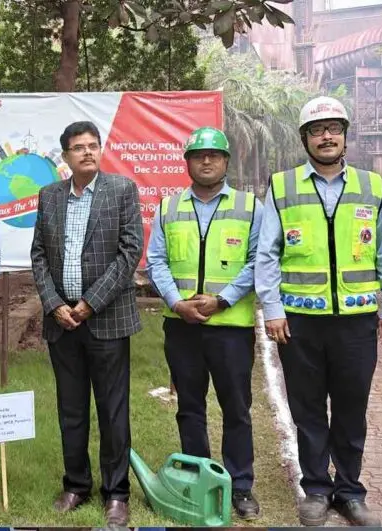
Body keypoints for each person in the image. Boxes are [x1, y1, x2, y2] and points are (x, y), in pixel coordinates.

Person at [255, 96, 382, 527]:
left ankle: (351, 492)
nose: (326, 136)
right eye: (317, 130)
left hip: (356, 322)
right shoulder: (282, 187)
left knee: (352, 407)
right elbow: (267, 255)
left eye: (334, 128)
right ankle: (317, 490)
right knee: (307, 409)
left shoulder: (371, 186)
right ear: (305, 138)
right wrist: (273, 310)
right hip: (299, 322)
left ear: (344, 135)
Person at [30, 121, 143, 527]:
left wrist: (89, 304)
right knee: (71, 409)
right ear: (66, 156)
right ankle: (76, 484)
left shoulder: (121, 190)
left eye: (93, 146)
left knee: (113, 411)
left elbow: (130, 252)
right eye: (78, 147)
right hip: (62, 324)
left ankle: (116, 493)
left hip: (107, 321)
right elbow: (39, 255)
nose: (87, 153)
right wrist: (55, 303)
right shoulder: (50, 196)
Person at [147, 127, 263, 520]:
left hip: (231, 327)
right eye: (199, 155)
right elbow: (156, 261)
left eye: (215, 155)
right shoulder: (168, 207)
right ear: (188, 163)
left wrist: (223, 299)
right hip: (182, 327)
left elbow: (257, 261)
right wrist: (177, 303)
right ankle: (199, 477)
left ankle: (240, 485)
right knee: (190, 407)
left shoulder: (250, 207)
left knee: (237, 407)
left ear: (226, 161)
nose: (207, 161)